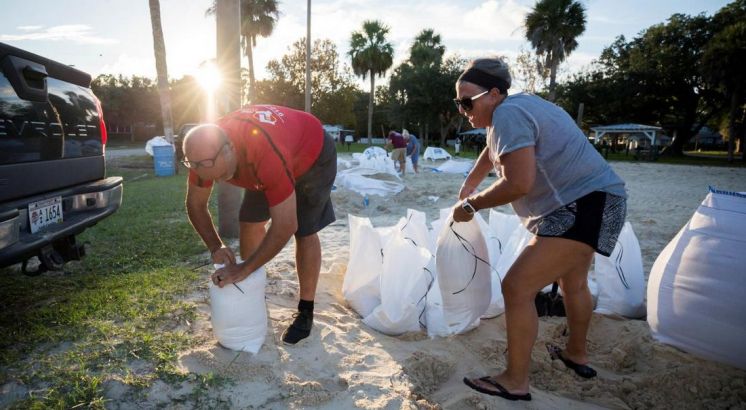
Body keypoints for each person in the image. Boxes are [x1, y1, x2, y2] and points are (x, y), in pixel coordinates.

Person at [452, 57, 627, 401]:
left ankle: (515, 380)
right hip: (602, 200)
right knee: (574, 283)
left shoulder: (507, 114)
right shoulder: (520, 106)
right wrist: (471, 181)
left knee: (517, 287)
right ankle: (576, 354)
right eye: (458, 103)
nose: (463, 110)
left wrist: (472, 205)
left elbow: (519, 183)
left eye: (467, 101)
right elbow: (493, 150)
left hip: (579, 206)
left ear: (495, 94)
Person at [182, 104, 337, 345]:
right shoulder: (203, 154)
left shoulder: (263, 153)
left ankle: (306, 310)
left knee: (304, 230)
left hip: (311, 154)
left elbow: (286, 224)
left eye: (223, 176)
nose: (220, 182)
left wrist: (242, 268)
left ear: (230, 149)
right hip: (268, 157)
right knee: (249, 222)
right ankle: (253, 292)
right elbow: (195, 205)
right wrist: (215, 246)